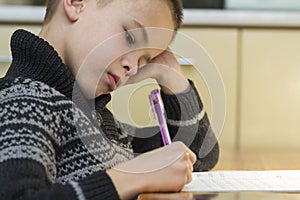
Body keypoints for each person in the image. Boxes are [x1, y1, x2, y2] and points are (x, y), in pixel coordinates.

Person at [0, 0, 219, 199]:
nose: (133, 68)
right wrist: (132, 177)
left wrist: (170, 73)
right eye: (130, 36)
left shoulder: (96, 121)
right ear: (76, 3)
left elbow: (198, 156)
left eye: (145, 59)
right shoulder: (21, 103)